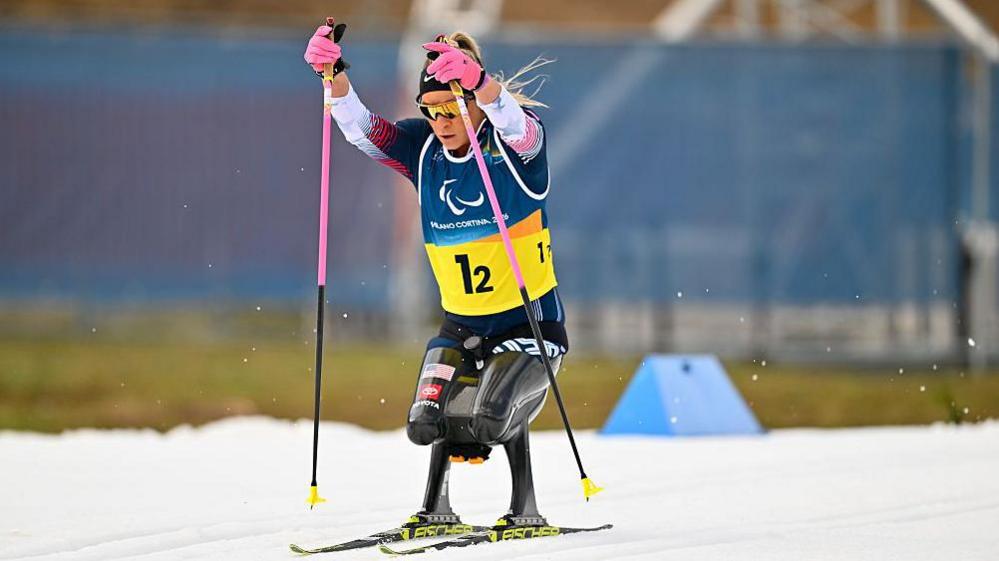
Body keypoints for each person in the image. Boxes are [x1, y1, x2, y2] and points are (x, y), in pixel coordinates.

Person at [304, 23, 565, 527]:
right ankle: (436, 507)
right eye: (432, 111)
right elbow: (362, 128)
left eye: (453, 109)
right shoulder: (422, 150)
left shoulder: (512, 149)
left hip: (528, 325)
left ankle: (523, 507)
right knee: (425, 423)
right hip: (463, 324)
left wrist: (483, 86)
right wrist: (332, 77)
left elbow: (520, 129)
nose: (442, 122)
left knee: (489, 418)